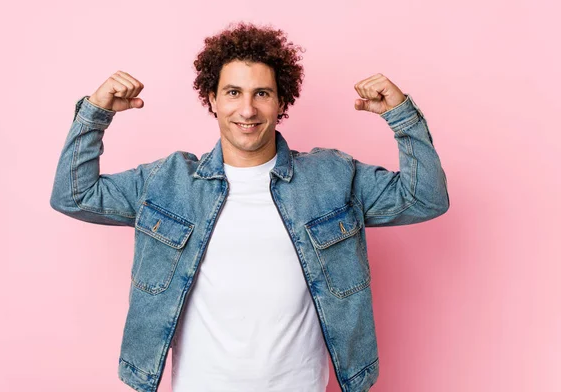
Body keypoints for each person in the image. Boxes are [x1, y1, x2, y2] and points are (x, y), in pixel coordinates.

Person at [50, 22, 449, 392]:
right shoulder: (166, 182)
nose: (247, 110)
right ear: (213, 99)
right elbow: (75, 196)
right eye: (233, 93)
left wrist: (402, 117)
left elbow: (425, 199)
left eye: (262, 93)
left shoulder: (332, 177)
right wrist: (95, 114)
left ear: (281, 101)